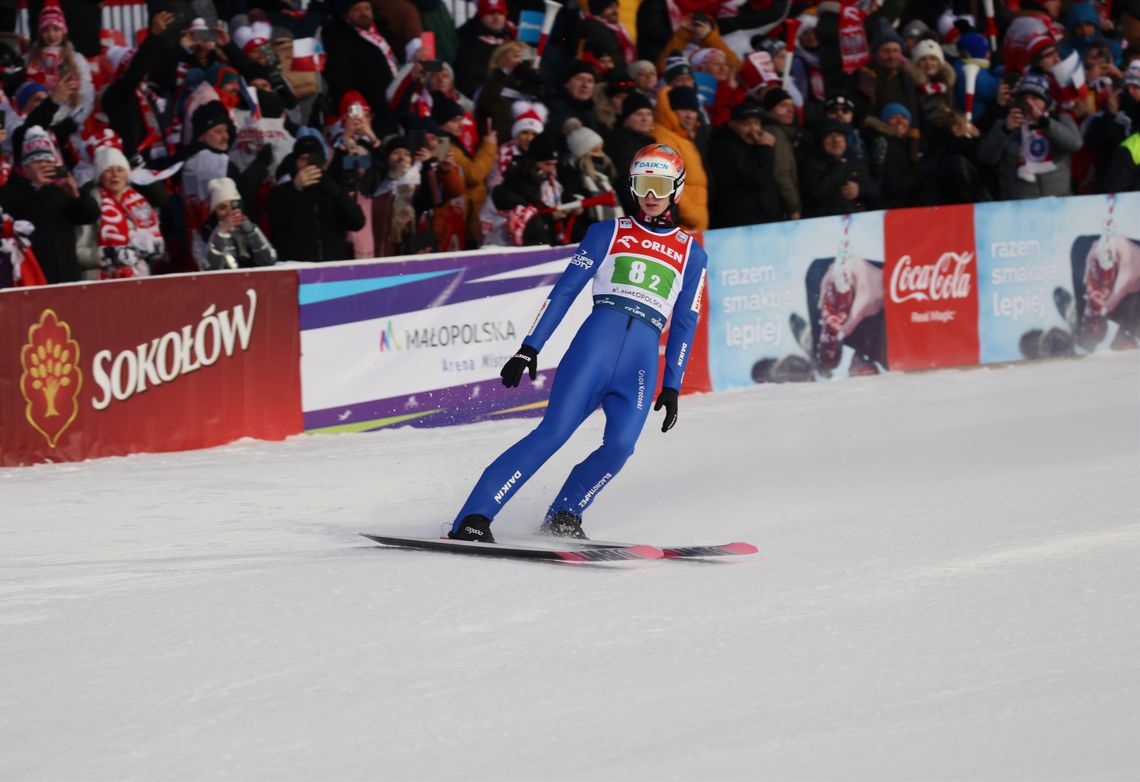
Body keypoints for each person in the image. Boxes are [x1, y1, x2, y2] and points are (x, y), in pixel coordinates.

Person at [448, 143, 708, 543]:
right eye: (642, 184)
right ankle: (474, 517)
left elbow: (687, 322)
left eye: (659, 185)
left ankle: (565, 514)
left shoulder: (693, 254)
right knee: (552, 434)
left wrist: (672, 384)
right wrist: (529, 346)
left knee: (620, 447)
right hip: (594, 349)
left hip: (639, 362)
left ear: (676, 188)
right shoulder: (608, 232)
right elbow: (565, 291)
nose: (650, 195)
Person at [200, 178, 277, 271]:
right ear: (215, 211)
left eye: (233, 205)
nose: (229, 212)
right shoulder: (207, 230)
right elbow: (214, 270)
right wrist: (222, 234)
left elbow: (269, 261)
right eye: (222, 207)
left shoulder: (248, 224)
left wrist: (251, 232)